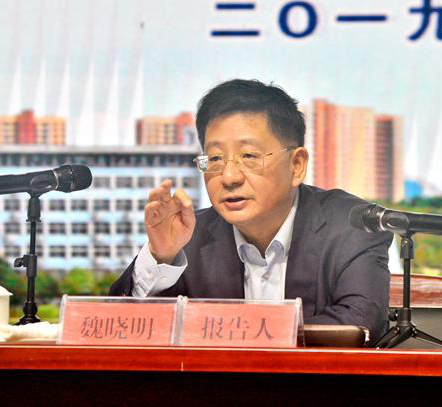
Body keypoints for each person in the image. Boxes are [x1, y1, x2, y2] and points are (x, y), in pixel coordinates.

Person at [110, 79, 392, 339]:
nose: (229, 177)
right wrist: (161, 256)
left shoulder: (352, 225)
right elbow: (125, 328)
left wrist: (242, 335)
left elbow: (360, 322)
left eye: (248, 156)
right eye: (215, 158)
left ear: (296, 165)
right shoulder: (189, 237)